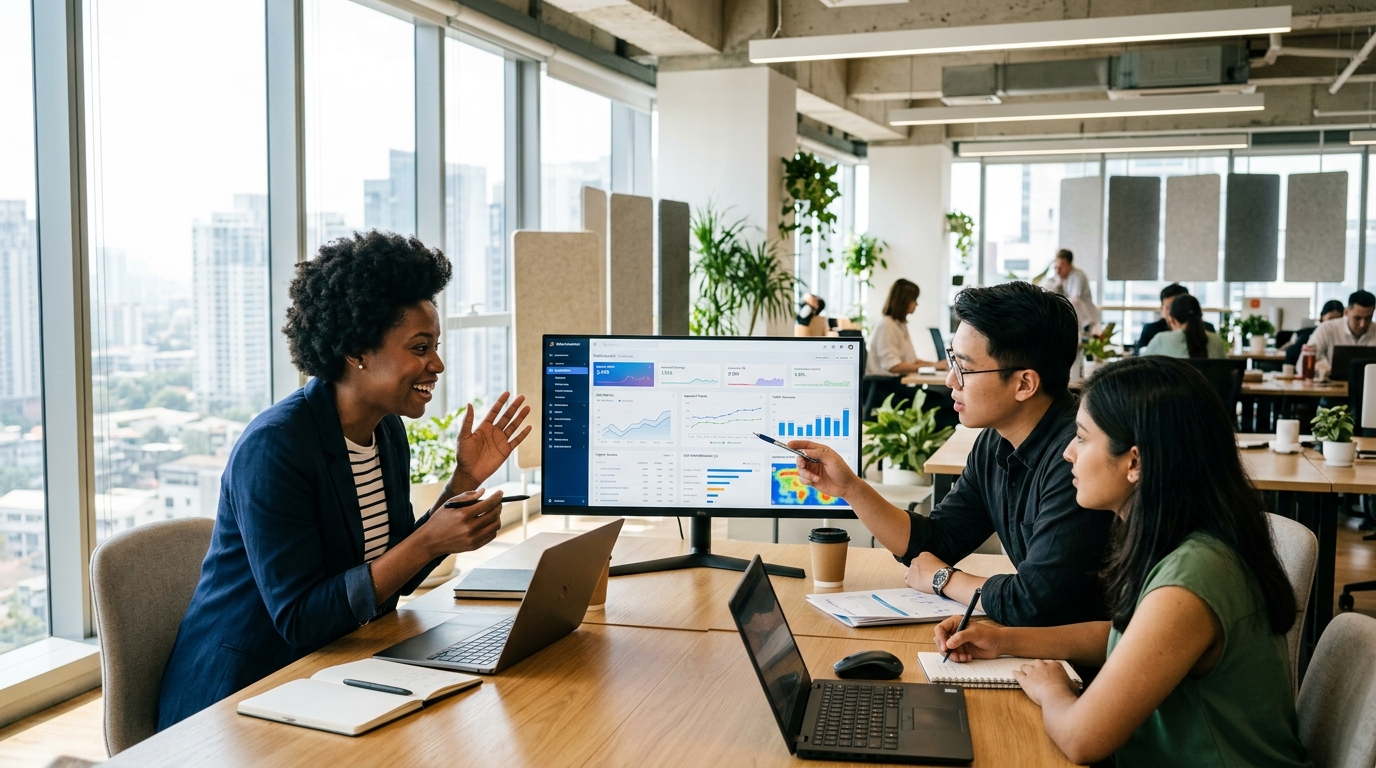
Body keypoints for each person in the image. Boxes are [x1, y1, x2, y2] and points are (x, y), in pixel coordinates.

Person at [157, 231, 531, 729]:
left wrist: (460, 482)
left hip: (333, 674)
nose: (436, 365)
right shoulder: (275, 447)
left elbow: (392, 573)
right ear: (357, 350)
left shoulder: (385, 431)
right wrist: (426, 543)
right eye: (420, 348)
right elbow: (299, 618)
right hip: (238, 701)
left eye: (436, 346)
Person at [935, 357, 1309, 767]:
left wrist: (1052, 689)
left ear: (1134, 462)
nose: (1067, 453)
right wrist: (1004, 640)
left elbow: (1082, 739)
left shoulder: (1193, 578)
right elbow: (1125, 638)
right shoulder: (1181, 539)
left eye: (1082, 438)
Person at [796, 281, 1113, 627]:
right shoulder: (996, 441)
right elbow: (936, 541)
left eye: (965, 367)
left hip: (1091, 668)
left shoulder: (1076, 457)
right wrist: (851, 489)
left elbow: (1036, 601)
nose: (950, 379)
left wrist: (944, 579)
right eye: (952, 361)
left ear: (1024, 384)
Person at [864, 279, 946, 376]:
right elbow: (893, 366)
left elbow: (911, 361)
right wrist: (934, 366)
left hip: (897, 382)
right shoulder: (887, 325)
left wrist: (936, 365)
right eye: (914, 299)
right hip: (885, 384)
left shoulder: (899, 324)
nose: (917, 304)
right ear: (904, 301)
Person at [1311, 289, 1376, 378]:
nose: (1362, 324)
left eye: (1368, 318)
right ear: (1346, 312)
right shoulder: (1327, 328)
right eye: (1357, 318)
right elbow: (1309, 356)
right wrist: (1321, 365)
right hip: (1331, 386)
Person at [1134, 283, 1215, 354]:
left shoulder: (1207, 329)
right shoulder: (1151, 329)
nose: (1172, 313)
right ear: (1161, 309)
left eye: (1176, 308)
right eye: (1168, 308)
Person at [1139, 295, 1228, 359]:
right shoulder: (1217, 340)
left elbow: (1143, 371)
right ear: (1200, 316)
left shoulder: (1161, 339)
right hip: (1208, 385)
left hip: (1172, 385)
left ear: (1171, 319)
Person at [1041, 249, 1098, 336]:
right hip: (1071, 318)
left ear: (1070, 264)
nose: (1058, 269)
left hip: (1085, 319)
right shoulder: (1058, 276)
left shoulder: (1078, 276)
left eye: (1062, 266)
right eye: (1056, 266)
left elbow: (1074, 298)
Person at [1285, 299, 1345, 368]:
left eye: (1338, 319)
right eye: (1331, 319)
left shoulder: (1342, 338)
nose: (1334, 323)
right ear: (1322, 317)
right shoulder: (1307, 336)